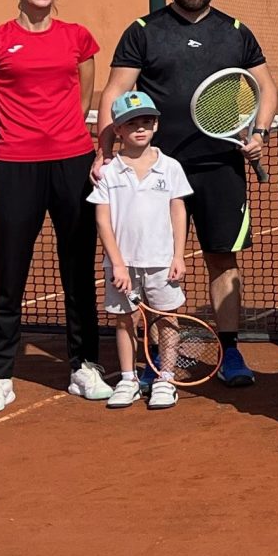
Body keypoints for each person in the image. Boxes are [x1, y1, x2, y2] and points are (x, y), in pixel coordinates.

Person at [100, 0, 274, 387]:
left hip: (219, 165)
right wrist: (105, 154)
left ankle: (230, 351)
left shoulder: (235, 31)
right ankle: (155, 357)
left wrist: (260, 134)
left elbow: (265, 87)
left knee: (223, 258)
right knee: (150, 263)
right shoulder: (143, 30)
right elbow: (114, 93)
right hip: (154, 170)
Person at [0, 0, 108, 413]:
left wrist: (66, 138)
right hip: (15, 167)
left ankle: (85, 365)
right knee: (8, 274)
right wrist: (9, 151)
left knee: (78, 270)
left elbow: (85, 95)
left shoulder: (78, 38)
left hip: (73, 163)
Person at [89, 91, 191, 409]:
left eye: (147, 121)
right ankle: (129, 378)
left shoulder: (171, 168)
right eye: (132, 123)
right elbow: (103, 221)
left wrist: (178, 256)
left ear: (156, 125)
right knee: (124, 320)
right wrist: (117, 264)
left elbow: (178, 212)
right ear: (117, 129)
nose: (140, 128)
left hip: (162, 262)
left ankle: (165, 377)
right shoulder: (109, 172)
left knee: (166, 318)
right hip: (123, 265)